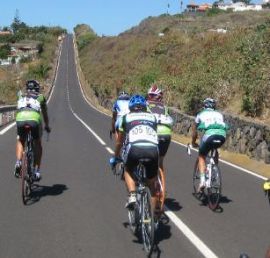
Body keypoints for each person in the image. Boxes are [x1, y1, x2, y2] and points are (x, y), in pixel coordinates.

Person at [110, 94, 159, 209]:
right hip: (153, 150)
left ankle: (132, 194)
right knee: (151, 184)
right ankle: (155, 214)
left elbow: (119, 142)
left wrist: (115, 157)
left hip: (134, 149)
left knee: (127, 170)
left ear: (130, 107)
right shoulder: (153, 117)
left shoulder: (126, 118)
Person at [14, 80, 51, 181]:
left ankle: (18, 162)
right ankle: (37, 171)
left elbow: (18, 108)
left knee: (21, 140)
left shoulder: (20, 95)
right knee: (38, 143)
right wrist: (47, 126)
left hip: (20, 118)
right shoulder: (41, 97)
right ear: (37, 89)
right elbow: (45, 114)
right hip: (34, 120)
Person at [191, 98, 228, 191]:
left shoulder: (200, 114)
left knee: (202, 156)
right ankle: (214, 170)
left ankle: (202, 180)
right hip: (222, 136)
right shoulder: (219, 114)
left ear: (204, 106)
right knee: (214, 149)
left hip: (209, 136)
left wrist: (193, 142)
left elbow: (194, 131)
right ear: (214, 106)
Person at [147, 84, 173, 211]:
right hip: (166, 135)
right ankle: (162, 185)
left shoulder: (146, 106)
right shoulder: (165, 107)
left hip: (153, 134)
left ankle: (153, 185)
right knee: (160, 161)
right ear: (160, 97)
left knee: (148, 159)